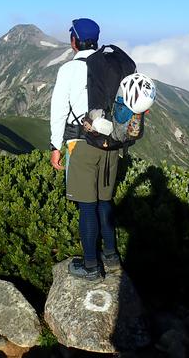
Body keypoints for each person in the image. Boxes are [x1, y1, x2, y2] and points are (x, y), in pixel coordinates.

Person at [49, 18, 122, 280]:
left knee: (87, 206)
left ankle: (91, 265)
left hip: (82, 144)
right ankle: (111, 257)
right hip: (111, 144)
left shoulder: (69, 70)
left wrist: (55, 146)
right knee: (105, 201)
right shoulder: (112, 65)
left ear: (74, 41)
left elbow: (58, 111)